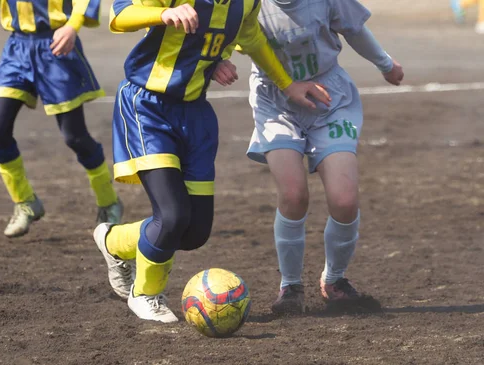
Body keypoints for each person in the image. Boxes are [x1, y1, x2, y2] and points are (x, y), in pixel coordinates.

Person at [93, 0, 331, 322]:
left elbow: (252, 38)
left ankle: (112, 240)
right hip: (148, 107)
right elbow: (119, 15)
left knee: (194, 233)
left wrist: (285, 85)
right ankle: (146, 293)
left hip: (195, 115)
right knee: (173, 216)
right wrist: (164, 13)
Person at [213, 0, 404, 314]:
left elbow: (353, 28)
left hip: (328, 96)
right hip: (275, 101)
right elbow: (222, 35)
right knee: (293, 193)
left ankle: (334, 280)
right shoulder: (246, 3)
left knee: (344, 200)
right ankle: (290, 286)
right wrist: (218, 61)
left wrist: (385, 64)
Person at [0, 0, 123, 238]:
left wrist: (73, 26)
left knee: (75, 137)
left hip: (56, 48)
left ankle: (108, 201)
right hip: (17, 50)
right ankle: (25, 202)